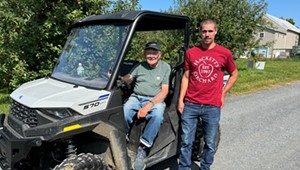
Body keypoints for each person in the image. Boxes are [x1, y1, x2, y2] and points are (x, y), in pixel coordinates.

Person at [177, 19, 238, 170]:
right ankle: (184, 167)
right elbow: (186, 77)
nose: (207, 34)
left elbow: (234, 74)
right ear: (199, 32)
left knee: (210, 143)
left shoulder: (225, 53)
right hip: (191, 104)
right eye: (204, 31)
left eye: (210, 31)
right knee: (186, 141)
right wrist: (180, 100)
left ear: (216, 31)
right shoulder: (191, 53)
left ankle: (205, 167)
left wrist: (222, 93)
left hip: (212, 105)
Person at [121, 42, 171, 170]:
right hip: (136, 97)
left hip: (155, 99)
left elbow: (164, 91)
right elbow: (129, 78)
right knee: (124, 111)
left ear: (159, 54)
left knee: (157, 115)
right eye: (149, 53)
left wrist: (148, 106)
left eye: (154, 53)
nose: (151, 55)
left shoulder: (165, 67)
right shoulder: (139, 66)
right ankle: (123, 138)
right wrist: (120, 78)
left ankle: (143, 148)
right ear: (145, 54)